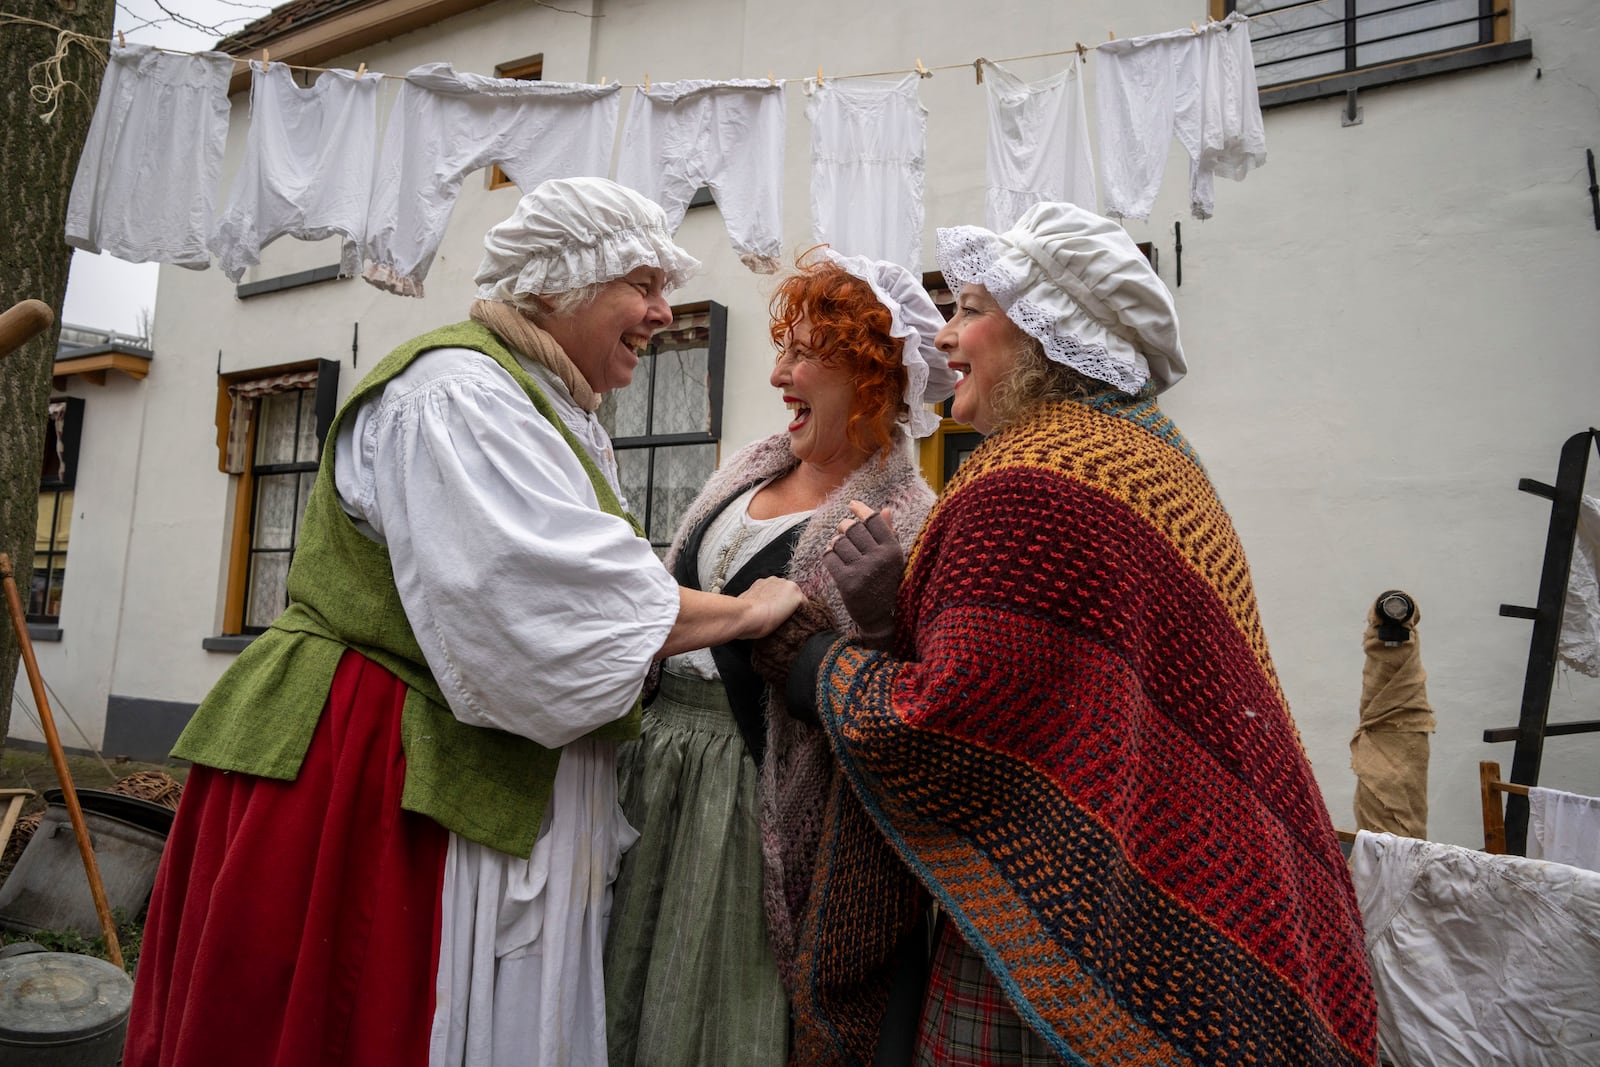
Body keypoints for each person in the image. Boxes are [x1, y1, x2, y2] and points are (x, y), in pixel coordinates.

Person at [123, 177, 804, 1067]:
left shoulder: (540, 398)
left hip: (428, 749)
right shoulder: (454, 394)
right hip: (368, 760)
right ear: (563, 284)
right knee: (356, 1013)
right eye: (639, 284)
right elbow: (552, 597)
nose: (659, 311)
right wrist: (751, 610)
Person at [788, 202, 1380, 1066]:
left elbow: (951, 723)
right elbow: (1058, 694)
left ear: (1041, 333)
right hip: (1183, 886)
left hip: (1064, 925)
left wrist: (812, 657)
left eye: (972, 310)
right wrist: (896, 612)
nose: (948, 337)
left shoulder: (1024, 481)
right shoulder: (1158, 454)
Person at [603, 248, 956, 1067]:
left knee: (710, 1010)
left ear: (869, 375)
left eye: (802, 354)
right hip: (657, 776)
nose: (778, 374)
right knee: (627, 988)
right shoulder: (750, 465)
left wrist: (875, 625)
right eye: (781, 348)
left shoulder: (909, 517)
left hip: (750, 807)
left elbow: (907, 702)